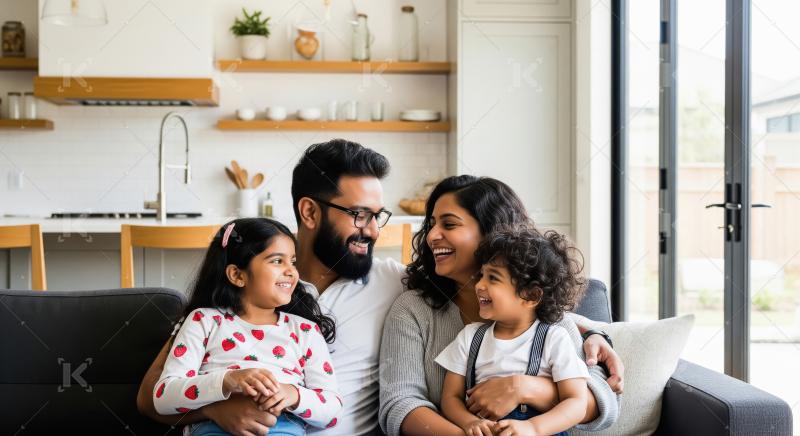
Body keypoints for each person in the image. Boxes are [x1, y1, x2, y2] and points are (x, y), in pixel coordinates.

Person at [138, 140, 623, 435]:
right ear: (309, 212)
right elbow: (151, 397)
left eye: (378, 215)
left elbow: (531, 308)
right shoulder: (251, 282)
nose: (372, 229)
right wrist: (217, 410)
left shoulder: (393, 283)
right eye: (359, 215)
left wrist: (592, 334)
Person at [379, 175, 620, 436]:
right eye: (431, 224)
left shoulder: (546, 318)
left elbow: (603, 399)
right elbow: (400, 404)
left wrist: (523, 388)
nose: (431, 236)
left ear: (491, 232)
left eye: (449, 224)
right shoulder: (414, 310)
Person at [152, 218, 341, 435]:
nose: (291, 271)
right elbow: (163, 397)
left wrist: (293, 394)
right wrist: (227, 381)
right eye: (277, 261)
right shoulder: (203, 321)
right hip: (212, 429)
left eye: (293, 261)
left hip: (283, 428)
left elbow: (333, 411)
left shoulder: (305, 331)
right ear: (237, 275)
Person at [437, 227, 591, 436]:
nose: (479, 285)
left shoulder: (554, 338)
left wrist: (533, 428)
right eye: (482, 275)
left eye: (493, 278)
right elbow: (450, 397)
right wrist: (469, 422)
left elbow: (576, 402)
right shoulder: (470, 336)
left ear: (531, 296)